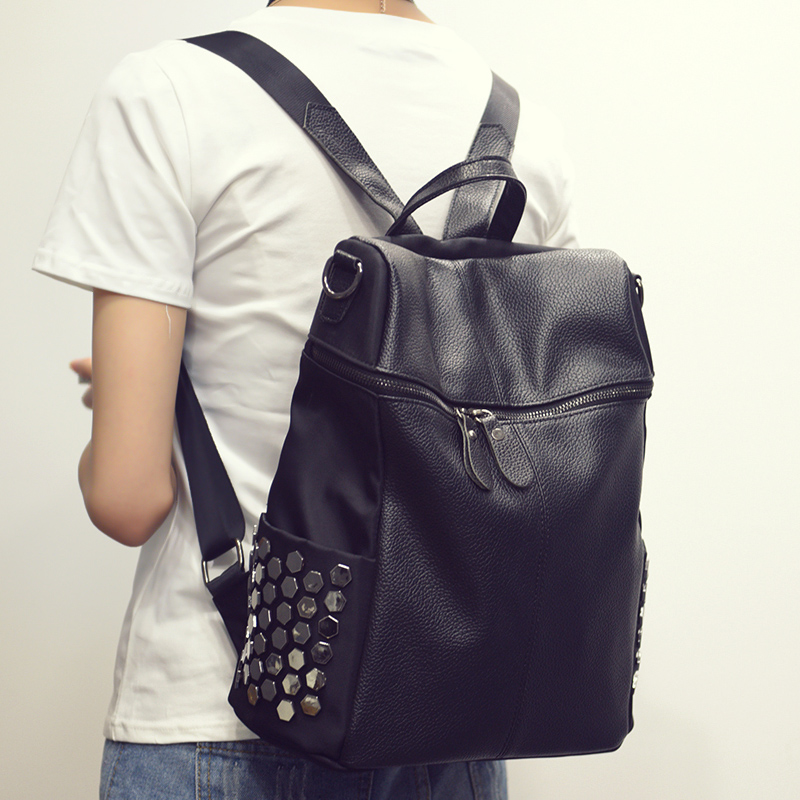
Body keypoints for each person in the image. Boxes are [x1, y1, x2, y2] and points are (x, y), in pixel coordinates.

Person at [34, 0, 577, 796]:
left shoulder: (169, 93)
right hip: (448, 726)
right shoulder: (527, 134)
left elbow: (127, 498)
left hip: (221, 712)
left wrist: (124, 407)